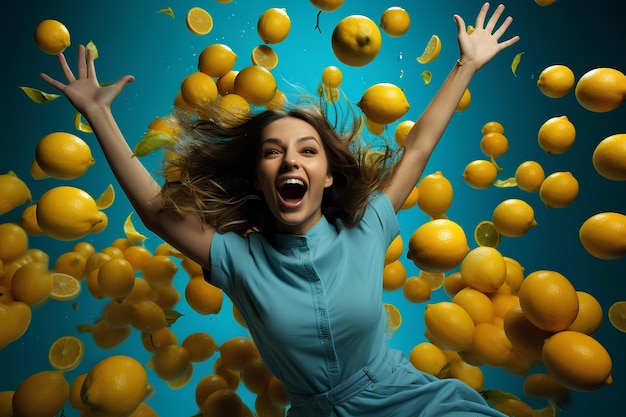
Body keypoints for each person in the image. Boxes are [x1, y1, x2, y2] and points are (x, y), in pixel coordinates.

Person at [41, 2, 519, 416]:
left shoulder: (368, 227)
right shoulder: (237, 259)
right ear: (258, 179)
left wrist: (467, 64)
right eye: (273, 152)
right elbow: (154, 210)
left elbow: (416, 149)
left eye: (308, 151)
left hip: (415, 403)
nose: (290, 158)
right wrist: (99, 114)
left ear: (328, 176)